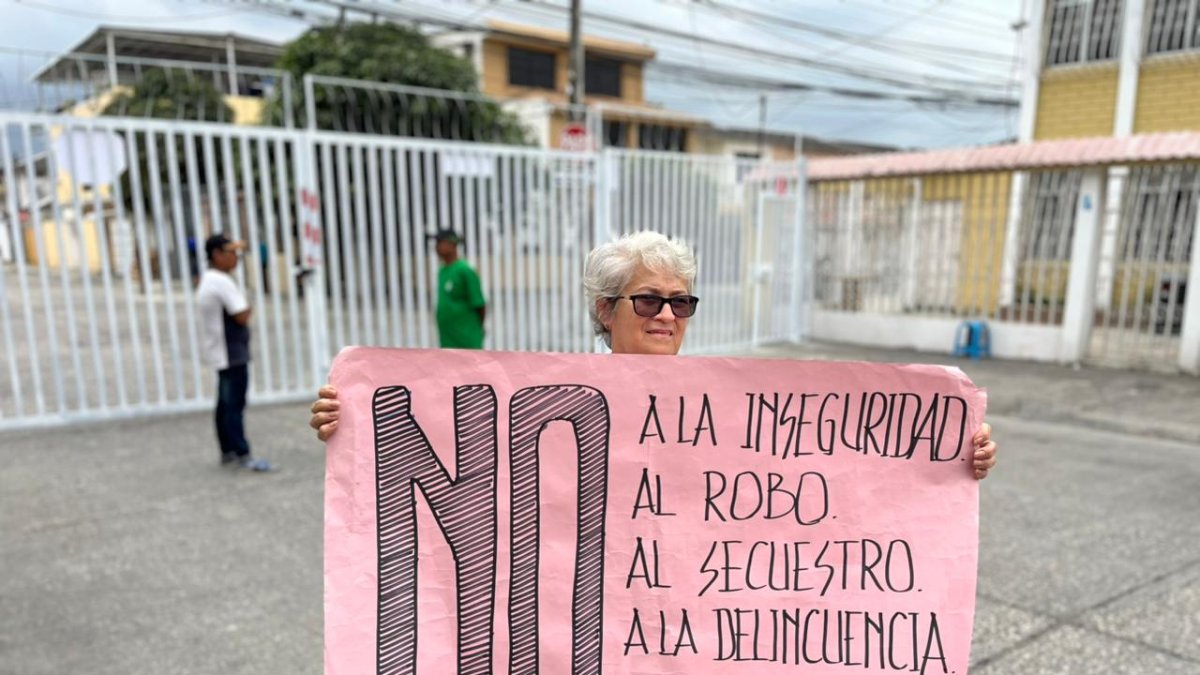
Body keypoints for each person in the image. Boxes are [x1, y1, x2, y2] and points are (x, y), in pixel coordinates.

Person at [308, 231, 997, 478]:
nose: (667, 314)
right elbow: (465, 457)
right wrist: (355, 423)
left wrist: (944, 455)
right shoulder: (556, 396)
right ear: (605, 312)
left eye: (681, 301)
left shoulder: (729, 401)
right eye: (647, 299)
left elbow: (834, 469)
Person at [197, 233, 273, 472]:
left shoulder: (210, 279)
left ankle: (228, 450)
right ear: (217, 254)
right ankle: (242, 452)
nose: (236, 257)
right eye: (231, 252)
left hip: (222, 350)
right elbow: (242, 315)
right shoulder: (221, 281)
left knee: (224, 403)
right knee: (234, 405)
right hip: (231, 351)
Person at [430, 228, 487, 349]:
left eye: (440, 242)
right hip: (448, 339)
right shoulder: (442, 271)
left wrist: (477, 329)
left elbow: (479, 304)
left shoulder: (465, 270)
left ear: (452, 244)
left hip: (466, 338)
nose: (436, 247)